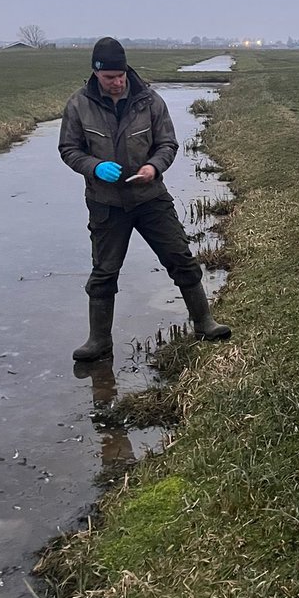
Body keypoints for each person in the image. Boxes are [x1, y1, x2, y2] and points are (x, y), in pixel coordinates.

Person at [59, 36, 230, 362]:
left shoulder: (149, 100)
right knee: (104, 273)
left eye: (121, 75)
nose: (117, 82)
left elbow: (168, 144)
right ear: (96, 73)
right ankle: (99, 342)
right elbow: (69, 150)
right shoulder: (79, 105)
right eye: (109, 77)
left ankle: (205, 323)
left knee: (181, 258)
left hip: (151, 198)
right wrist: (94, 167)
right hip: (106, 203)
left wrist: (154, 166)